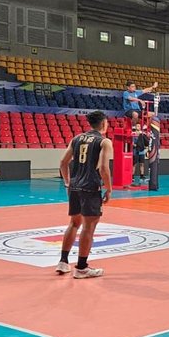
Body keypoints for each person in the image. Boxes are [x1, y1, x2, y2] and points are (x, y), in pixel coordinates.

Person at [56, 110, 113, 279]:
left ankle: (63, 261)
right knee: (89, 227)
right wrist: (109, 189)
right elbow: (103, 168)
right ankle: (81, 267)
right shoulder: (104, 142)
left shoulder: (77, 138)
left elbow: (63, 163)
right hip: (90, 187)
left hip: (75, 186)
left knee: (74, 223)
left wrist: (68, 182)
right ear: (103, 124)